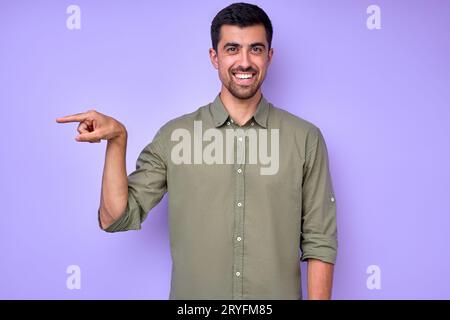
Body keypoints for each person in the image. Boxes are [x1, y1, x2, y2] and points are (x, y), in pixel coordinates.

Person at [56, 2, 338, 300]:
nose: (244, 61)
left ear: (269, 56)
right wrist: (117, 140)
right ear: (214, 57)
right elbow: (115, 218)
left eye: (255, 49)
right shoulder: (175, 137)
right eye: (232, 49)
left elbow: (320, 240)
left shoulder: (305, 138)